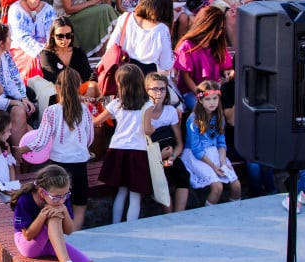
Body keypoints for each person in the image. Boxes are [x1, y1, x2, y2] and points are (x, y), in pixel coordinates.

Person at [20, 69, 93, 230]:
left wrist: (22, 149)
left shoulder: (51, 111)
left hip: (58, 164)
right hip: (80, 162)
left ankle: (60, 237)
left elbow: (41, 140)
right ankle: (75, 235)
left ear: (57, 88)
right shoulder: (84, 110)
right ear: (79, 87)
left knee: (58, 204)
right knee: (79, 204)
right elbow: (90, 138)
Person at [11, 163, 95, 262]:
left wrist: (64, 210)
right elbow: (28, 235)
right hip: (29, 245)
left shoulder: (61, 198)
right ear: (42, 193)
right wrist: (43, 215)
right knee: (53, 216)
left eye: (65, 195)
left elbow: (69, 230)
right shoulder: (25, 199)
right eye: (56, 197)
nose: (61, 200)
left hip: (50, 243)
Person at [93, 64, 153, 222]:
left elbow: (96, 121)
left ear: (120, 84)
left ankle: (116, 224)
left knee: (121, 191)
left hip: (118, 150)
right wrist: (153, 128)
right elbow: (147, 130)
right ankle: (131, 227)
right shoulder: (147, 104)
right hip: (138, 152)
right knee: (135, 195)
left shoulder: (116, 104)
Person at [182, 80, 241, 205]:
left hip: (215, 153)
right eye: (208, 99)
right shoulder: (193, 120)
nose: (212, 102)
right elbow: (196, 149)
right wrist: (214, 166)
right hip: (197, 156)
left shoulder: (219, 117)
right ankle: (208, 215)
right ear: (200, 100)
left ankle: (234, 213)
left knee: (236, 185)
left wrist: (223, 163)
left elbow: (221, 143)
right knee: (217, 187)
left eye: (215, 98)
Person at [143, 71, 190, 213]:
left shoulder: (170, 111)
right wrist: (159, 156)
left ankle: (178, 214)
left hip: (169, 154)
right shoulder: (143, 111)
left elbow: (179, 143)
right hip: (150, 156)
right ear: (146, 90)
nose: (159, 93)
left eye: (162, 89)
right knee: (161, 179)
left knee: (183, 175)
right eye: (154, 89)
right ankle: (168, 214)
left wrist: (172, 157)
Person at [107, 0, 174, 74]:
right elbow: (166, 65)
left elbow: (110, 47)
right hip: (146, 79)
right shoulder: (162, 30)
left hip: (122, 73)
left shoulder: (125, 17)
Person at [173, 6, 231, 109]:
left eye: (222, 28)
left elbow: (225, 67)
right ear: (207, 26)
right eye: (218, 28)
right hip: (191, 92)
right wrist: (202, 94)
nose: (221, 31)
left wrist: (226, 72)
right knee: (206, 109)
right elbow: (186, 78)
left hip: (213, 91)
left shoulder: (217, 44)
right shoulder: (187, 46)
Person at [8, 0, 56, 79]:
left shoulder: (48, 9)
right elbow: (22, 37)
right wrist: (42, 53)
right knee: (35, 62)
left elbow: (51, 33)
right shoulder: (16, 9)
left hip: (46, 49)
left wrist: (49, 50)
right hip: (20, 50)